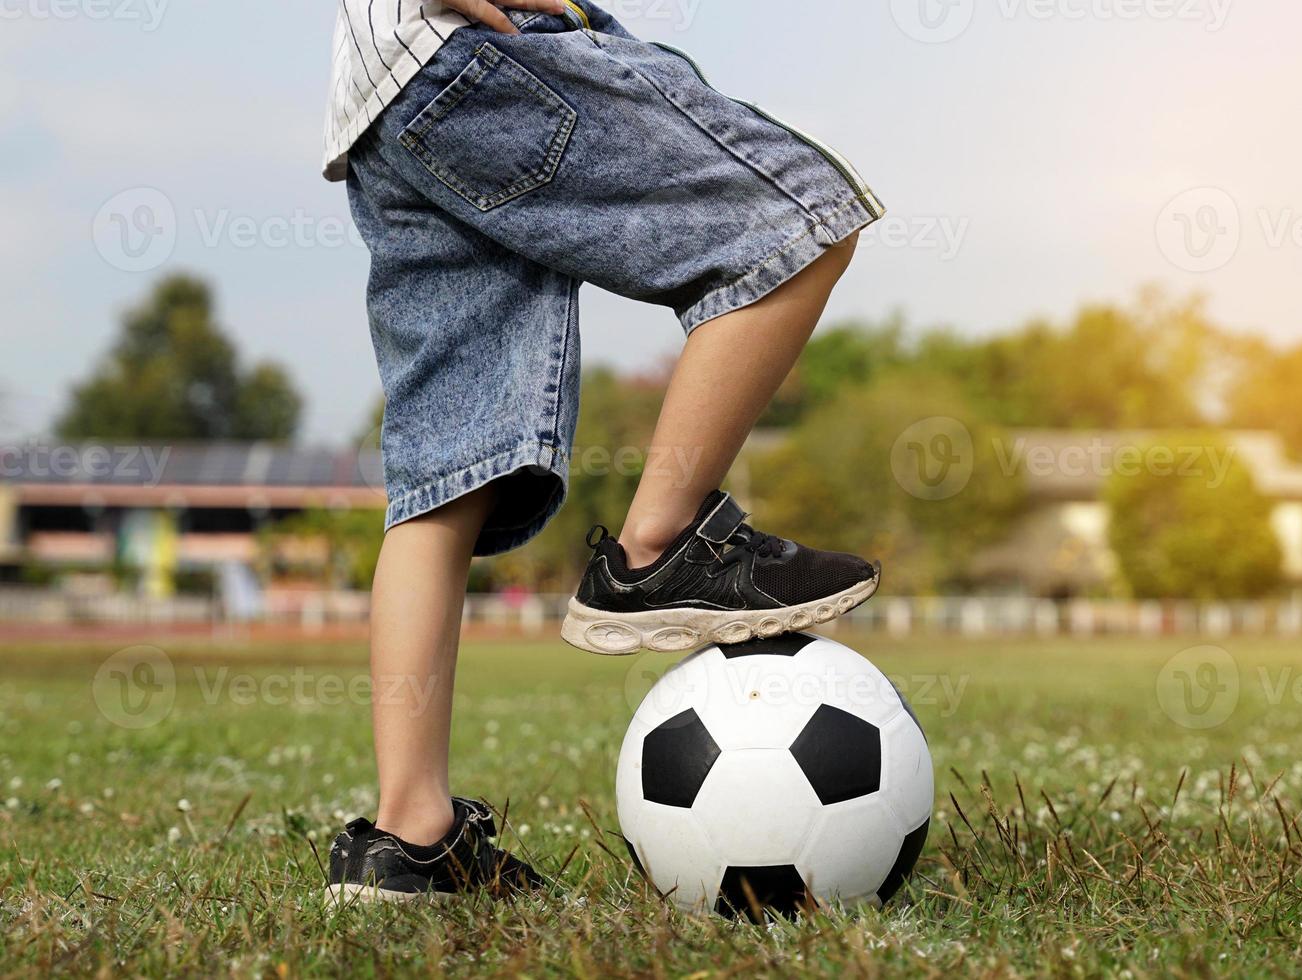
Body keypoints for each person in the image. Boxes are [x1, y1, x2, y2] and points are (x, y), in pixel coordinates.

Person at [322, 0, 884, 902]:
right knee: (798, 225)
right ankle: (659, 550)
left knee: (446, 471)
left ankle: (409, 840)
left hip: (385, 92)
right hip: (478, 52)